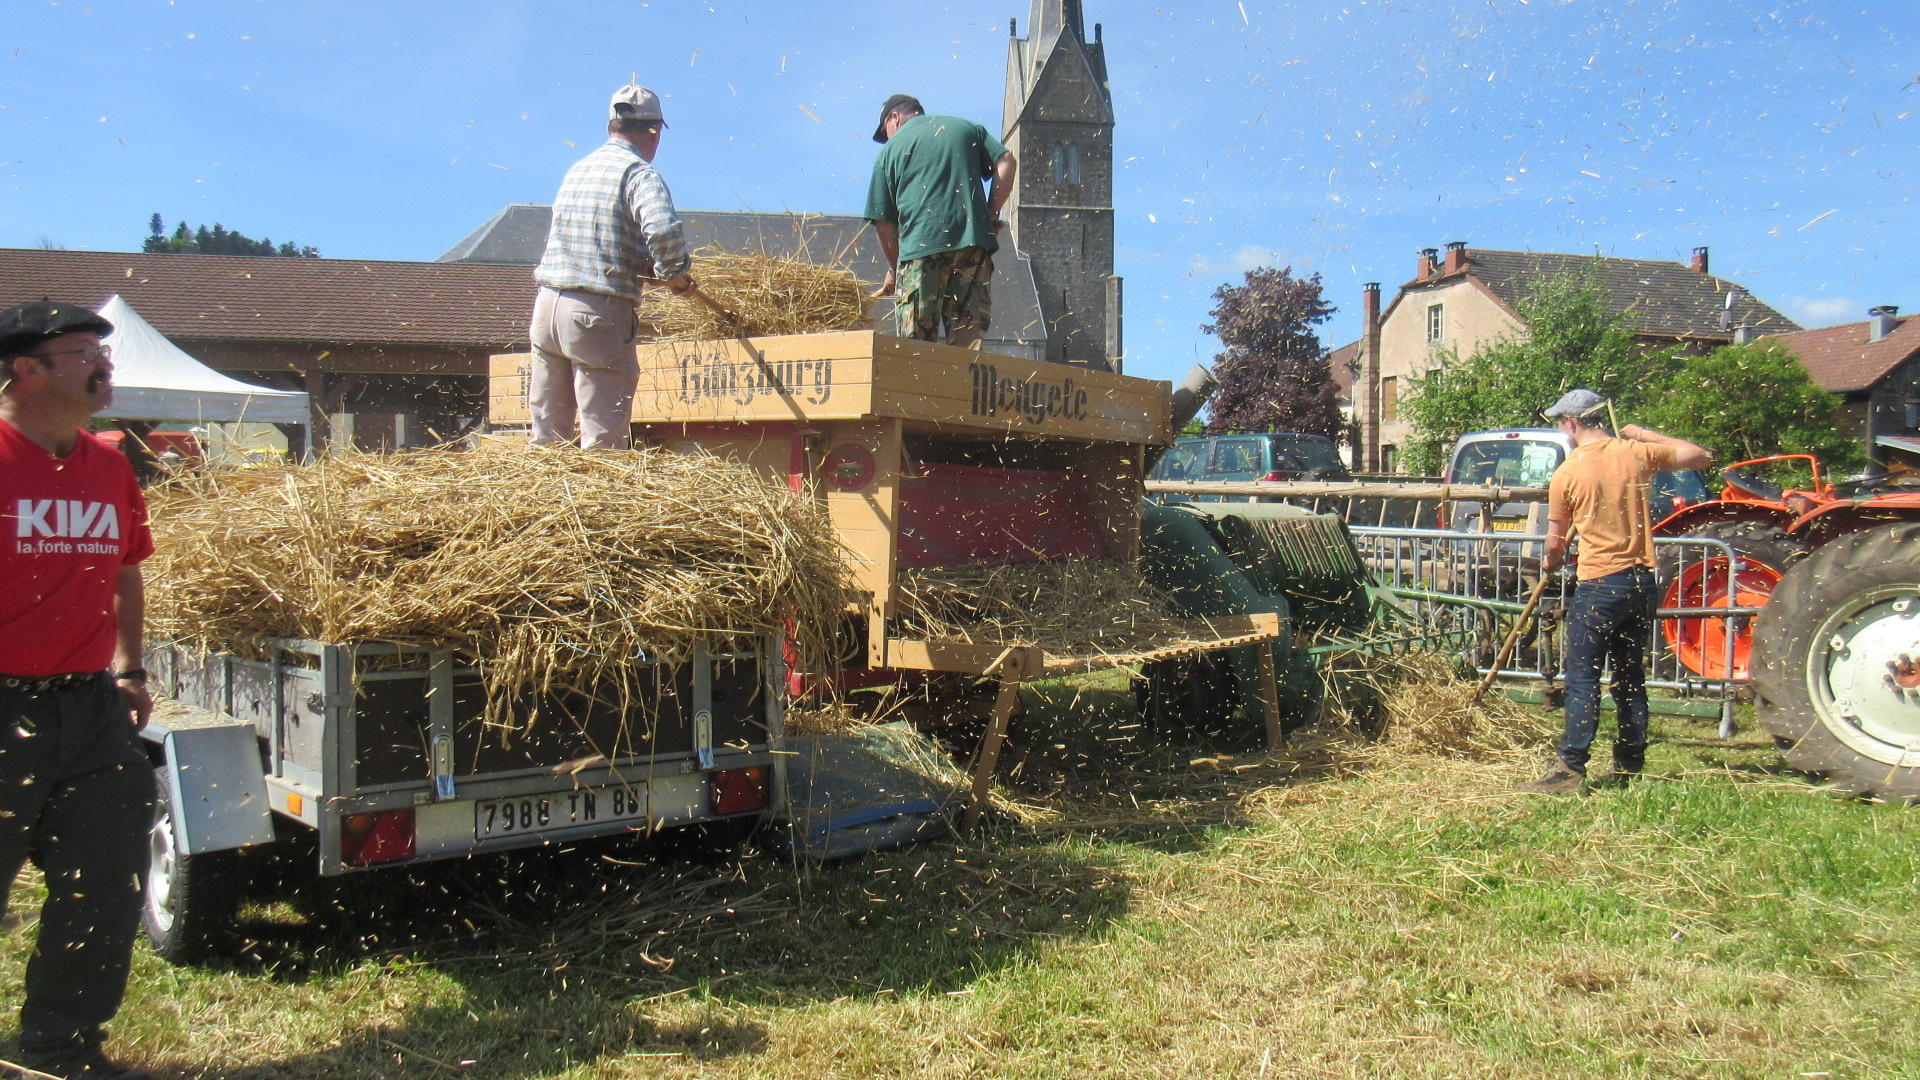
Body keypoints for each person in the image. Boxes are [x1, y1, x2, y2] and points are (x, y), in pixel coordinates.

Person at [0, 301, 158, 1080]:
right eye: (81, 354)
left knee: (104, 876)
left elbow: (126, 568)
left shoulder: (108, 462)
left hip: (89, 704)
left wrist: (129, 668)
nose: (104, 366)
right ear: (27, 369)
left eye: (105, 353)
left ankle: (63, 1045)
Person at [1526, 389, 1712, 794]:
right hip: (1642, 581)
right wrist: (1642, 433)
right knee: (1629, 677)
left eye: (1561, 421)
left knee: (1582, 678)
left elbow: (1555, 542)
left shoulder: (1568, 473)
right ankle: (1629, 764)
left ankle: (1570, 769)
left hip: (1599, 584)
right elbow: (1700, 456)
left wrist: (1549, 563)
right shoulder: (1636, 453)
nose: (1562, 428)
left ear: (1572, 422)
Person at [529, 83, 698, 449]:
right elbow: (664, 230)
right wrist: (674, 274)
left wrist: (648, 268)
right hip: (596, 314)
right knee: (603, 438)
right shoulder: (637, 174)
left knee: (547, 437)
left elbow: (600, 241)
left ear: (611, 126)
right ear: (653, 131)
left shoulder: (578, 169)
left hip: (547, 309)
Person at [863, 94, 1017, 350]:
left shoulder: (889, 152)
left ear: (895, 118)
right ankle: (964, 388)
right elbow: (1007, 161)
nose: (887, 138)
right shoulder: (965, 128)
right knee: (969, 348)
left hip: (920, 254)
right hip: (973, 247)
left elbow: (884, 225)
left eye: (885, 131)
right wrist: (991, 214)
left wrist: (895, 269)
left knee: (916, 353)